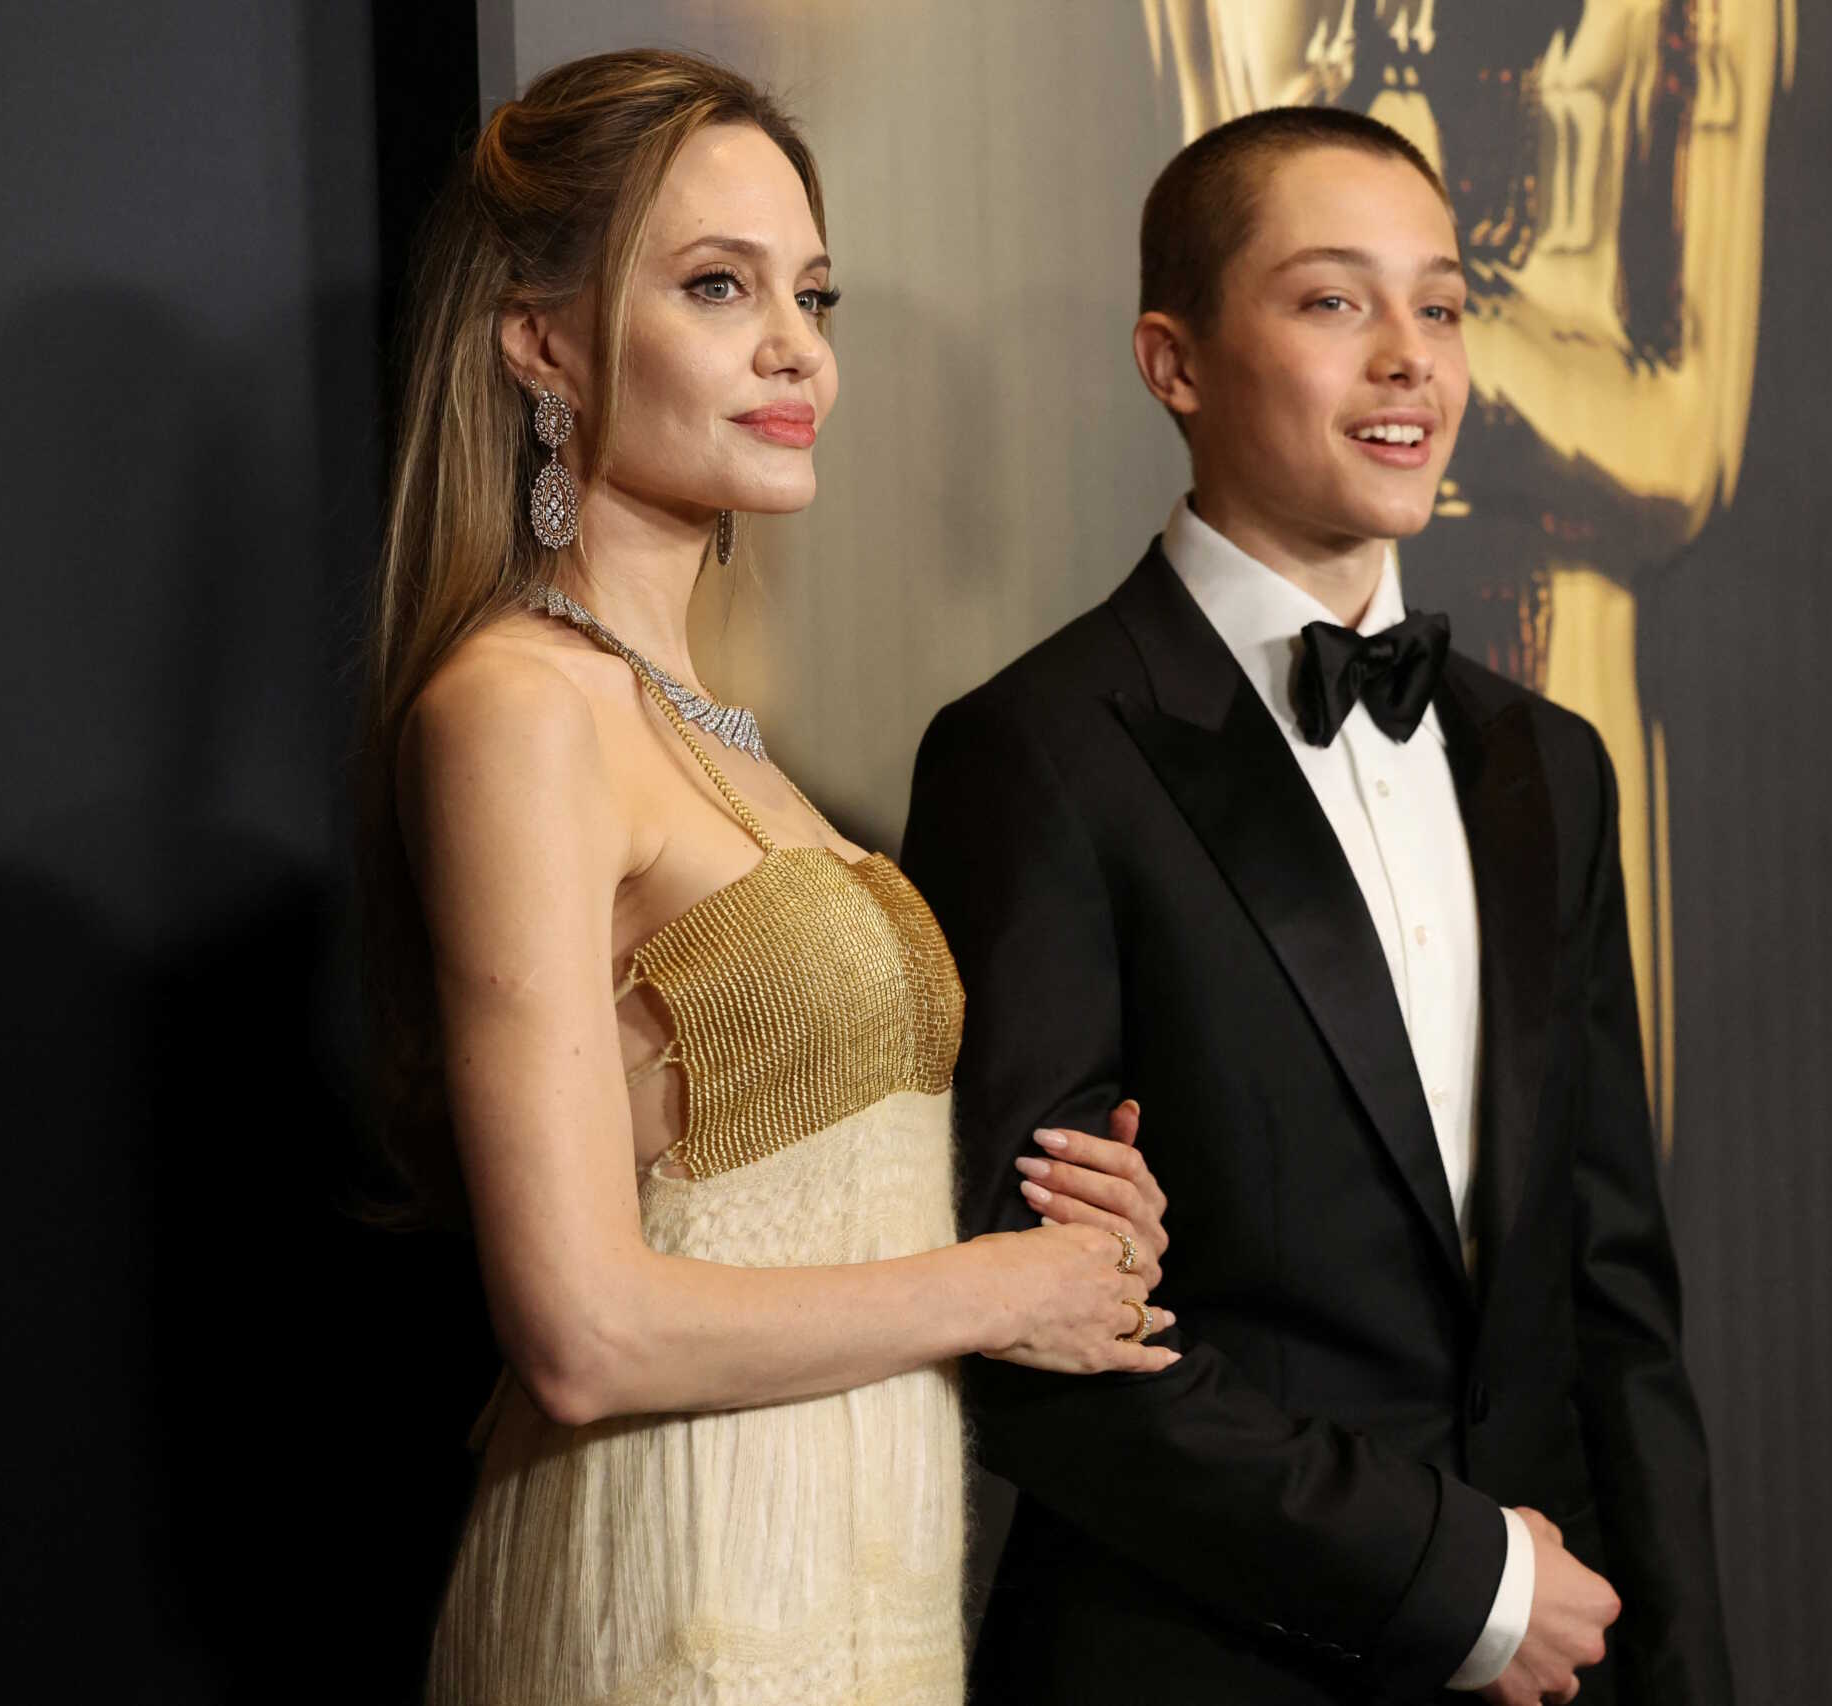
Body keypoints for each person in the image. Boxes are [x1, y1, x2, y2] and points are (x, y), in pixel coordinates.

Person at [355, 50, 1178, 1706]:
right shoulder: (516, 706)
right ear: (543, 341)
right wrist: (989, 1286)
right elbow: (581, 1331)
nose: (796, 344)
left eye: (813, 292)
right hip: (676, 1585)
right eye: (718, 287)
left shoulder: (729, 737)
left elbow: (785, 1196)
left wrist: (1072, 1237)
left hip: (863, 1566)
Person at [902, 108, 1731, 1706]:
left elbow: (1614, 1305)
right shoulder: (1040, 753)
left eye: (1441, 305)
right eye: (1335, 301)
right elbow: (1046, 1341)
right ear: (1175, 359)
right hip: (1198, 1662)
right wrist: (1470, 1582)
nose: (1410, 359)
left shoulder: (1549, 764)